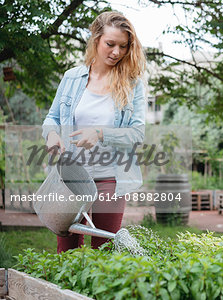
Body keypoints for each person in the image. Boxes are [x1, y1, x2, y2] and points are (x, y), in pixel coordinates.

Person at [42, 11, 146, 253]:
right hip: (70, 179)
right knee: (66, 250)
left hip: (110, 177)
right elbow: (52, 117)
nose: (117, 52)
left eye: (123, 46)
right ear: (96, 40)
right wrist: (51, 134)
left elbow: (137, 133)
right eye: (110, 44)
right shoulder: (71, 78)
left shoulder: (133, 84)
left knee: (104, 249)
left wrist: (100, 133)